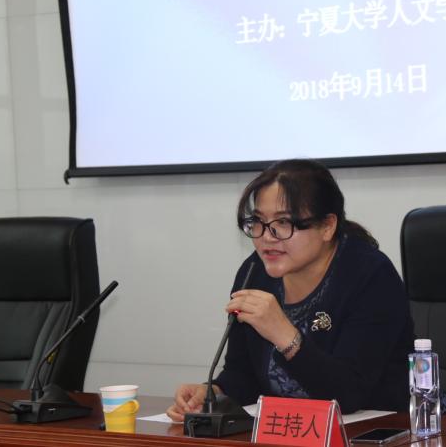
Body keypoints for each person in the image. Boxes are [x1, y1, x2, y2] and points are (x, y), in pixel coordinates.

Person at [167, 159, 414, 421]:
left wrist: (284, 335)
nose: (267, 236)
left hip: (377, 429)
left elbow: (350, 393)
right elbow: (243, 375)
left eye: (284, 222)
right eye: (258, 221)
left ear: (327, 226)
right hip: (289, 429)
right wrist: (213, 392)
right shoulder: (254, 273)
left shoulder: (370, 275)